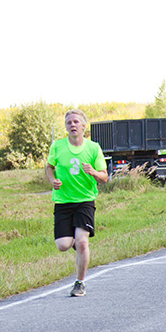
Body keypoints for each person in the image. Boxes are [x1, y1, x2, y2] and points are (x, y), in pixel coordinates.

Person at [46, 109, 109, 297]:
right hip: (63, 201)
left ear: (83, 126)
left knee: (82, 243)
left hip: (85, 200)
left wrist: (93, 172)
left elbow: (104, 177)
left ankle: (79, 283)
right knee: (63, 245)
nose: (72, 125)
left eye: (75, 122)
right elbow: (50, 167)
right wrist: (52, 180)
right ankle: (76, 241)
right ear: (66, 127)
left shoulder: (93, 148)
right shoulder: (57, 146)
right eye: (68, 123)